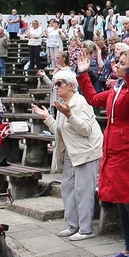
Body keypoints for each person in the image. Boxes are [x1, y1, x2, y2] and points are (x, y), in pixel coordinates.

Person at [76, 48, 129, 257]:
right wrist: (84, 73)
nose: (116, 65)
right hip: (114, 148)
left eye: (122, 62)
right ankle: (128, 247)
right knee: (120, 200)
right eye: (117, 61)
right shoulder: (117, 88)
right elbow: (92, 98)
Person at [32, 69, 103, 241]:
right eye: (55, 84)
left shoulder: (79, 102)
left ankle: (86, 229)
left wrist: (69, 115)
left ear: (71, 86)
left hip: (86, 152)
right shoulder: (63, 103)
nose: (56, 87)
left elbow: (86, 129)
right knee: (68, 188)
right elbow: (59, 129)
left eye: (59, 84)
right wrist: (47, 117)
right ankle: (73, 225)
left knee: (83, 190)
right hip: (71, 152)